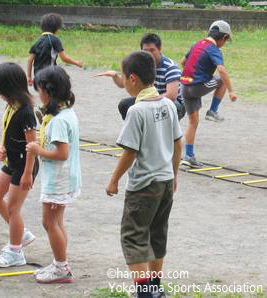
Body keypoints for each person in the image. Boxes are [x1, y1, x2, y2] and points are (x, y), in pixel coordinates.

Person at [106, 51, 182, 298]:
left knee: (133, 237)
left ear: (134, 79)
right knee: (158, 234)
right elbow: (178, 143)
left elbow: (129, 152)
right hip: (165, 180)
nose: (125, 83)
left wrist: (114, 179)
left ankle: (144, 293)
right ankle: (155, 290)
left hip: (143, 186)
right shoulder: (168, 105)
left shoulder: (136, 111)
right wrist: (175, 173)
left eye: (125, 79)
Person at [26, 66, 81, 284]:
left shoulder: (59, 121)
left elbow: (62, 153)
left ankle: (62, 268)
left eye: (39, 90)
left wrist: (38, 150)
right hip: (64, 177)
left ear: (47, 92)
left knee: (49, 223)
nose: (38, 94)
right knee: (56, 222)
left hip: (59, 179)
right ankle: (60, 262)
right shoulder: (66, 113)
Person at [0, 62, 39, 268]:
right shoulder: (11, 106)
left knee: (13, 208)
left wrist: (28, 173)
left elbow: (32, 145)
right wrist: (2, 146)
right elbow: (8, 131)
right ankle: (21, 233)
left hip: (25, 164)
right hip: (13, 161)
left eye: (2, 91)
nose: (0, 95)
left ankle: (16, 252)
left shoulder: (26, 112)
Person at [180, 20, 237, 168]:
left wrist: (195, 72)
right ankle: (212, 111)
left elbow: (183, 61)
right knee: (222, 81)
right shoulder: (213, 49)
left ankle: (189, 156)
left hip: (184, 86)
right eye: (226, 40)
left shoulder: (197, 44)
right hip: (197, 87)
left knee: (193, 122)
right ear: (223, 37)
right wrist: (231, 91)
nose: (224, 43)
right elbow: (222, 70)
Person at [96, 33, 185, 121]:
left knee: (165, 108)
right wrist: (115, 76)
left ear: (159, 49)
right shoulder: (141, 63)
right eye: (145, 51)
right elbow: (124, 84)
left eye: (152, 50)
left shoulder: (170, 67)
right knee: (125, 105)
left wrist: (146, 101)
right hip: (149, 98)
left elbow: (171, 96)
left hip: (173, 104)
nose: (149, 54)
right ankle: (136, 129)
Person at [27, 13, 83, 87]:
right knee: (65, 80)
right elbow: (64, 58)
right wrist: (76, 63)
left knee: (45, 94)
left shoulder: (37, 41)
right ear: (57, 28)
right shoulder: (55, 40)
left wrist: (29, 77)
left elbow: (29, 60)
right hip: (49, 74)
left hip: (38, 77)